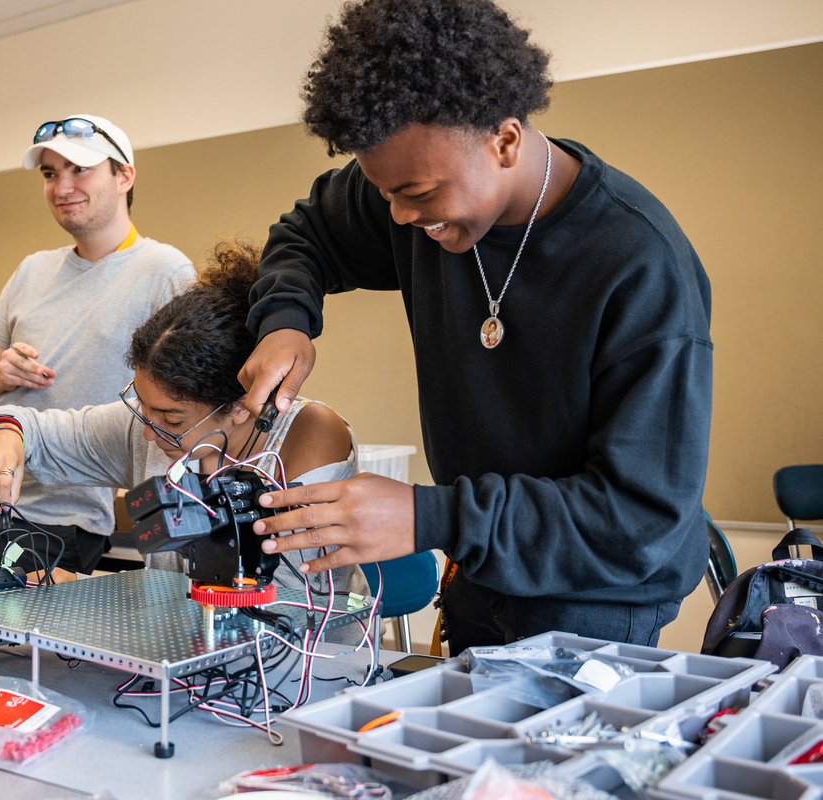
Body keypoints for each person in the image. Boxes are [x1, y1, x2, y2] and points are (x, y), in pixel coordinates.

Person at [238, 0, 711, 652]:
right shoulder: (417, 183)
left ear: (505, 140)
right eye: (385, 195)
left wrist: (427, 515)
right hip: (479, 568)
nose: (402, 217)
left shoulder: (638, 266)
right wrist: (284, 321)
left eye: (419, 194)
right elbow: (306, 233)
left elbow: (634, 523)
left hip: (593, 602)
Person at [0, 241, 369, 598]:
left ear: (241, 404)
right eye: (143, 405)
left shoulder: (310, 437)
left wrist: (79, 590)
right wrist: (5, 431)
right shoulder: (149, 429)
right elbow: (31, 426)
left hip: (304, 658)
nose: (148, 430)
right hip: (178, 648)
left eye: (172, 419)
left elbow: (277, 603)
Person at [0, 115, 196, 583]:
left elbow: (190, 397)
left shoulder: (164, 271)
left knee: (21, 652)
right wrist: (1, 373)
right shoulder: (32, 270)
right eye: (50, 174)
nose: (62, 186)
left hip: (62, 514)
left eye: (79, 169)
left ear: (124, 175)